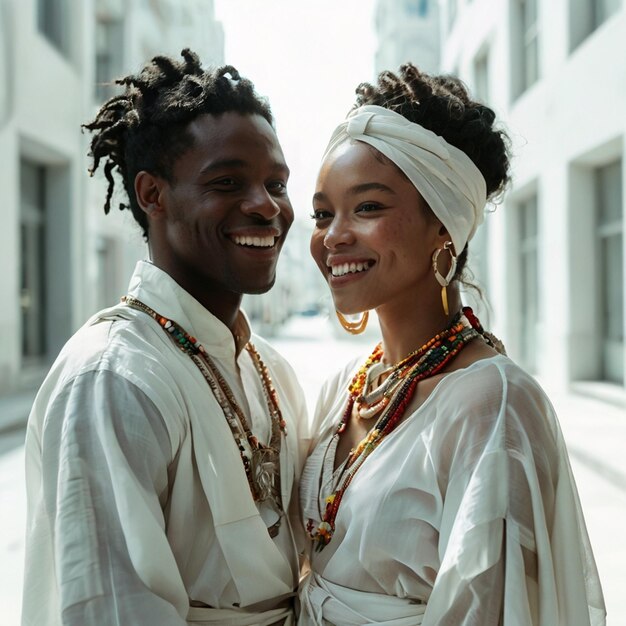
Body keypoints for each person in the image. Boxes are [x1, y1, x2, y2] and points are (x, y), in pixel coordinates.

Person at [298, 64, 606, 625]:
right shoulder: (343, 387)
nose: (334, 236)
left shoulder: (492, 404)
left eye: (367, 207)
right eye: (324, 213)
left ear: (444, 225)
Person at [22, 49, 308, 626]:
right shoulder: (113, 377)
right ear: (152, 195)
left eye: (276, 183)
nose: (266, 207)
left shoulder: (270, 370)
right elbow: (109, 607)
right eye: (227, 182)